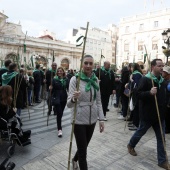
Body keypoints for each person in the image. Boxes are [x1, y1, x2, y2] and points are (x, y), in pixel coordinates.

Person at [127, 59, 170, 170]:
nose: (162, 68)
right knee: (140, 131)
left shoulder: (163, 81)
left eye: (163, 66)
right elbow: (137, 94)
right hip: (148, 114)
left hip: (160, 115)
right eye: (159, 66)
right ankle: (131, 144)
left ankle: (162, 161)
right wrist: (149, 93)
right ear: (152, 67)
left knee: (161, 138)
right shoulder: (145, 80)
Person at [67, 55, 104, 170]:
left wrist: (101, 119)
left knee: (84, 146)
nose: (88, 66)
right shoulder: (75, 79)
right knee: (83, 152)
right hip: (78, 120)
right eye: (86, 63)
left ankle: (74, 159)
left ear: (93, 65)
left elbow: (98, 101)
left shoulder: (95, 80)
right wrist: (74, 98)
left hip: (92, 119)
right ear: (81, 64)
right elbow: (68, 104)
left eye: (90, 63)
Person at [51, 67, 69, 137]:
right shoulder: (54, 79)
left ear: (63, 72)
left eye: (60, 71)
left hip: (64, 98)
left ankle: (59, 124)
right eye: (58, 71)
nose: (59, 72)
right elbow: (52, 90)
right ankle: (59, 129)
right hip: (57, 98)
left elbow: (68, 88)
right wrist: (50, 88)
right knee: (59, 113)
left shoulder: (66, 79)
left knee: (60, 114)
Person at [128, 63, 143, 131]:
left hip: (136, 93)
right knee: (134, 108)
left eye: (131, 67)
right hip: (134, 93)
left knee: (136, 108)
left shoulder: (137, 74)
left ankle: (136, 124)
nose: (130, 69)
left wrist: (131, 80)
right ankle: (134, 122)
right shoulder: (135, 73)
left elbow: (137, 84)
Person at [162, 65, 170, 134]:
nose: (162, 73)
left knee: (168, 116)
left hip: (168, 102)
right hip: (164, 101)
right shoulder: (163, 80)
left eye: (164, 72)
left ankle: (167, 129)